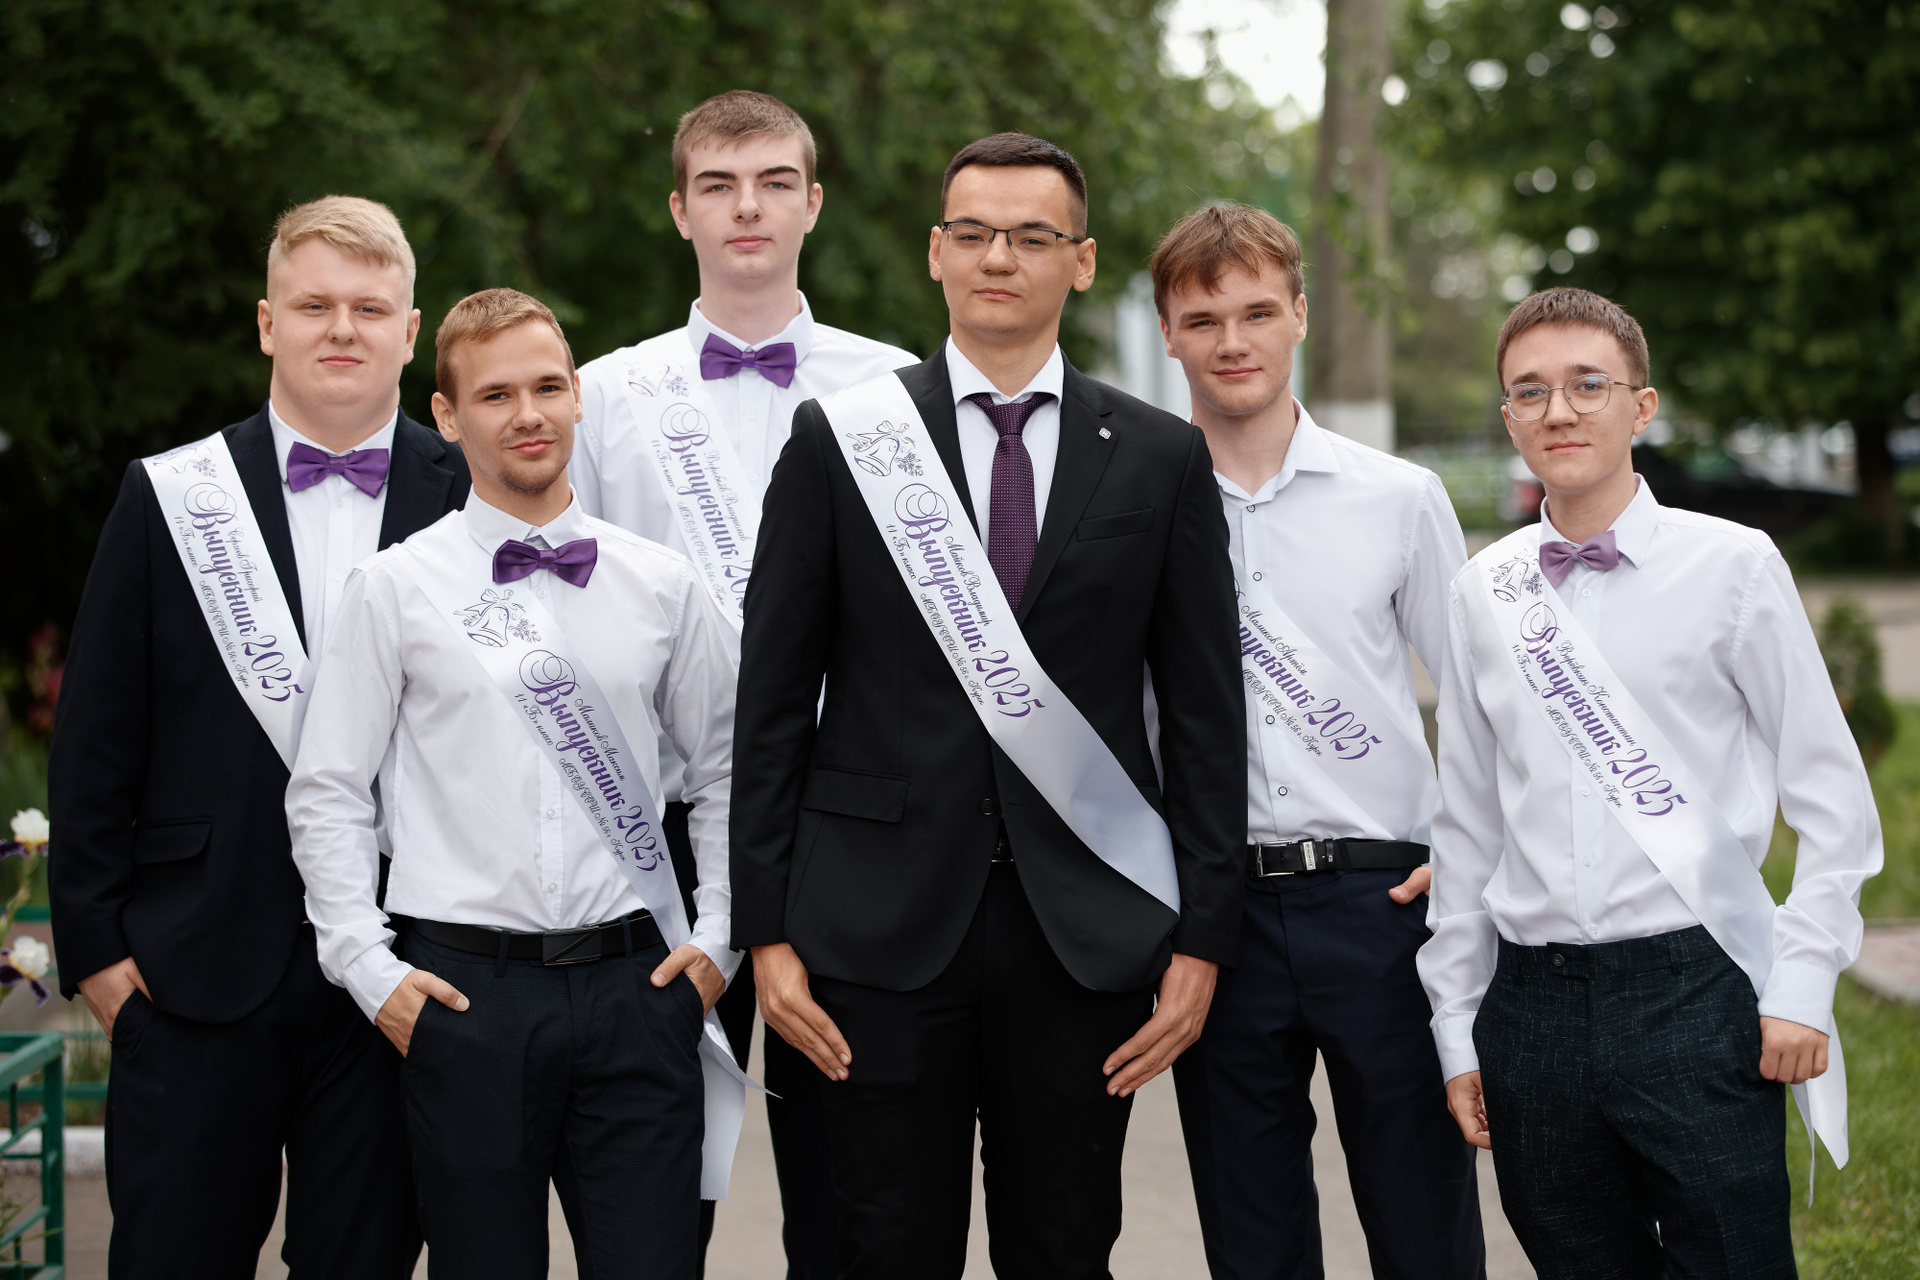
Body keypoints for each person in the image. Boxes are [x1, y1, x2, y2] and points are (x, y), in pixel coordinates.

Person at [731, 132, 1246, 1279]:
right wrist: (765, 930)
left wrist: (1203, 940)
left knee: (1064, 1250)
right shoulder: (842, 440)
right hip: (873, 927)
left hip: (1084, 933)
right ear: (936, 252)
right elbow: (770, 704)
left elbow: (1207, 718)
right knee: (882, 1251)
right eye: (972, 233)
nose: (998, 257)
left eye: (1031, 235)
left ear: (1082, 260)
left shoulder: (1159, 456)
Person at [49, 195, 470, 1278]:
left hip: (402, 972)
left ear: (410, 332)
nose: (342, 328)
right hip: (191, 976)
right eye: (314, 305)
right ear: (267, 323)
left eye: (368, 307)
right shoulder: (168, 495)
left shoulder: (475, 496)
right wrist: (100, 960)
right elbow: (96, 737)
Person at [1420, 287, 1881, 1278]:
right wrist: (1458, 1025)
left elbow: (1833, 798)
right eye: (1530, 391)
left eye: (1588, 384)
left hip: (1695, 990)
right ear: (1509, 418)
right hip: (1531, 1008)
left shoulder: (1735, 566)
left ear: (1642, 405)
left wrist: (1804, 979)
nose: (1559, 410)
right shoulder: (1482, 590)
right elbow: (1465, 823)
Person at [286, 287, 742, 1278]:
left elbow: (726, 771)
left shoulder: (662, 583)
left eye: (546, 387)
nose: (528, 414)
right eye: (495, 395)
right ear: (448, 417)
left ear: (577, 395)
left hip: (638, 989)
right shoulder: (396, 587)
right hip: (462, 1001)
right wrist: (368, 970)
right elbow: (327, 791)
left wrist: (718, 939)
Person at [573, 89, 914, 1276]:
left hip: (852, 822)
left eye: (773, 182)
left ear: (813, 202)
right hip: (664, 832)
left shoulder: (897, 387)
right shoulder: (603, 395)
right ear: (680, 211)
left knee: (851, 1189)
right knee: (659, 1188)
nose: (747, 207)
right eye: (718, 186)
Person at [1152, 204, 1484, 1280]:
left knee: (1424, 1226)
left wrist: (1467, 859)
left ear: (1300, 313)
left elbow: (1482, 705)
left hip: (1382, 905)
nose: (1232, 341)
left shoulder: (1399, 498)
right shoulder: (1133, 504)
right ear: (1168, 333)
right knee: (1252, 1241)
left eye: (1257, 312)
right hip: (1218, 917)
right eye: (1203, 320)